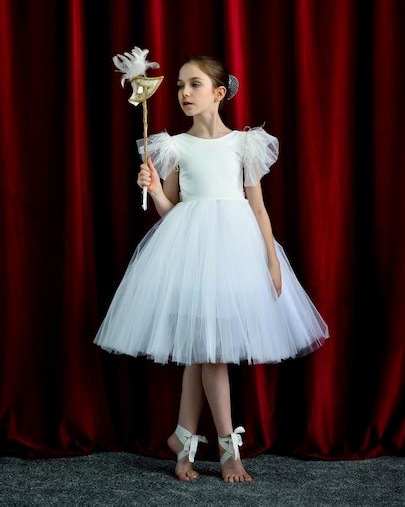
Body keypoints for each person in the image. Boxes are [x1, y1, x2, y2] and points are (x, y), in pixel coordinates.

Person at [93, 55, 330, 483]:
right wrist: (151, 186)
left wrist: (272, 261)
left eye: (194, 84)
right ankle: (226, 449)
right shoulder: (174, 146)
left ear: (218, 93)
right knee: (208, 353)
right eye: (180, 85)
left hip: (235, 255)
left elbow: (257, 207)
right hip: (189, 254)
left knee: (202, 354)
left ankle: (183, 441)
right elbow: (170, 211)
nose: (183, 93)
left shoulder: (244, 144)